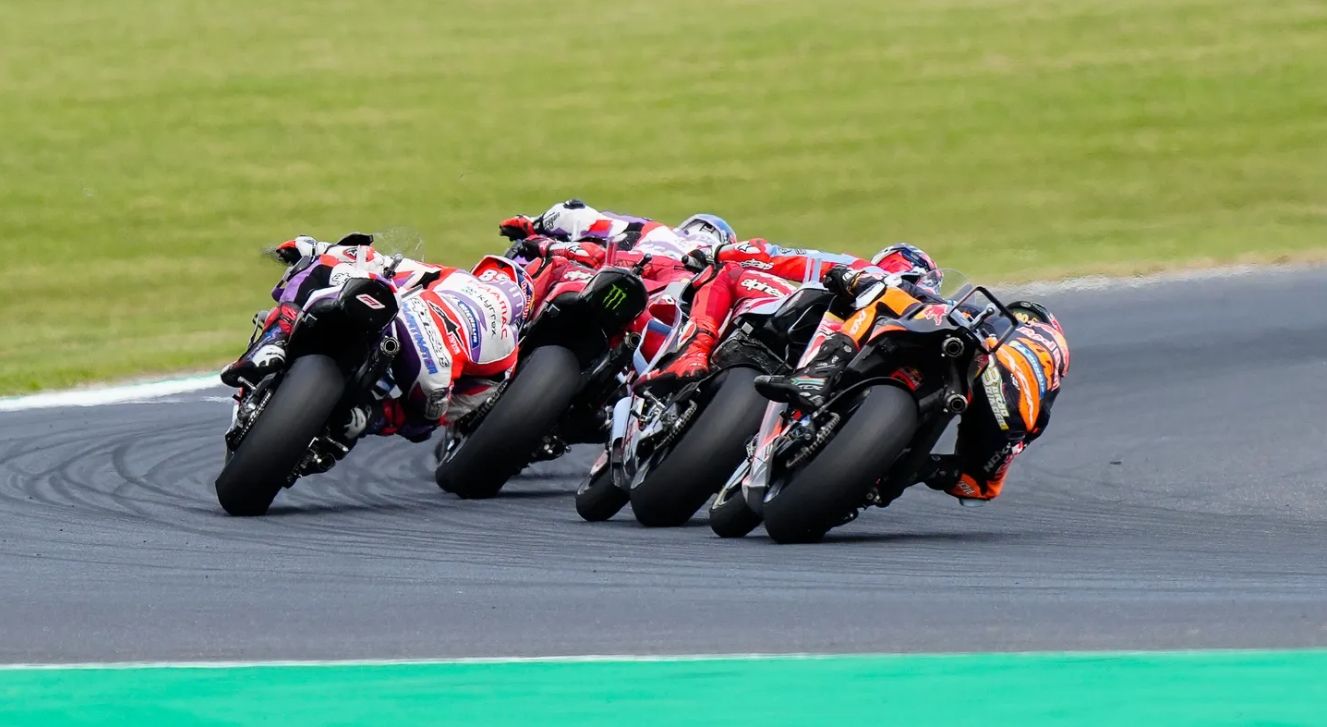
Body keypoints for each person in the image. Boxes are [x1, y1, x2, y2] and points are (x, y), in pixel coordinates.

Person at [754, 247, 1070, 505]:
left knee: (885, 298)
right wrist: (933, 469)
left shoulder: (1002, 323)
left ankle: (820, 373)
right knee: (977, 481)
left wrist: (857, 283)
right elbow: (981, 487)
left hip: (984, 364)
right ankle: (903, 470)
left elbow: (932, 311)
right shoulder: (1042, 398)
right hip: (1009, 415)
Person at [220, 233, 531, 443]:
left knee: (327, 264)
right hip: (434, 372)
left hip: (402, 322)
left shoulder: (456, 278)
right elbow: (461, 404)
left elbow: (371, 260)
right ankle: (361, 419)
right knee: (421, 418)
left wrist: (309, 247)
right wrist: (380, 420)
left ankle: (275, 340)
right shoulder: (508, 349)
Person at [631, 241, 921, 391]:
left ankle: (694, 352)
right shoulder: (926, 318)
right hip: (841, 368)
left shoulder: (870, 271)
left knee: (726, 272)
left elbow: (778, 256)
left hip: (818, 352)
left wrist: (717, 252)